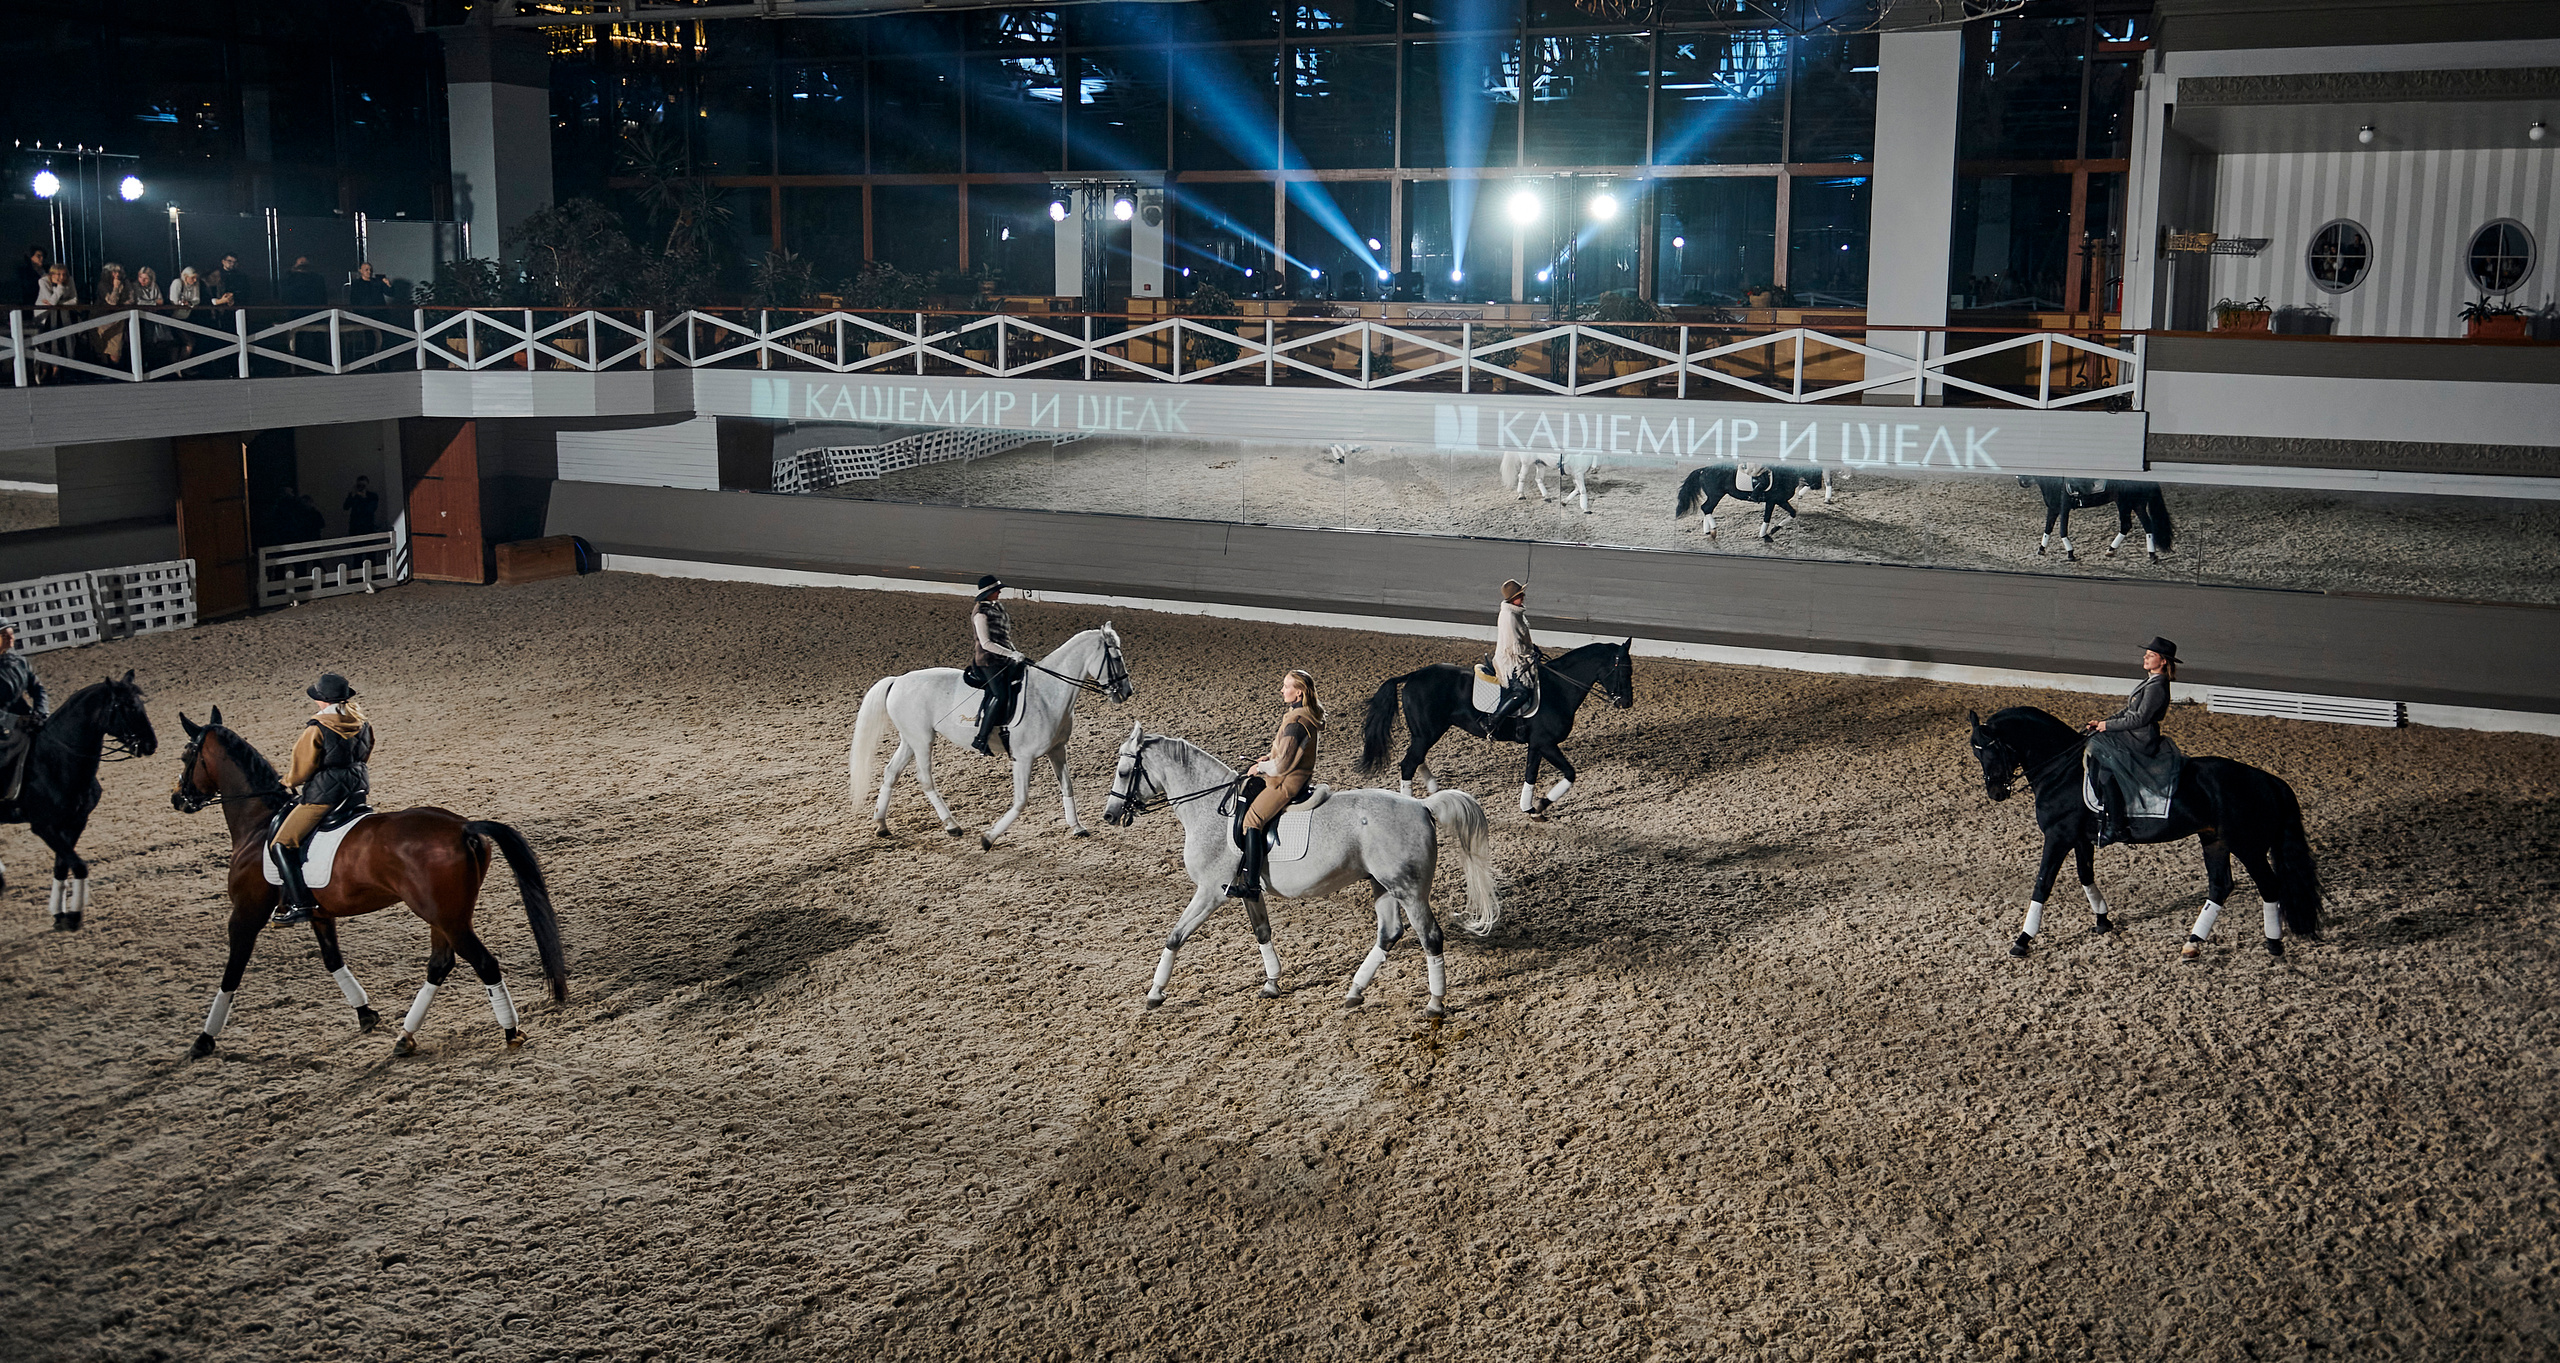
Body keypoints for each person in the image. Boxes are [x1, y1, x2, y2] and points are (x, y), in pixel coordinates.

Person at [270, 673, 373, 926]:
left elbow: (303, 769)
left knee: (282, 843)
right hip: (357, 790)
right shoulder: (362, 723)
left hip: (324, 795)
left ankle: (300, 904)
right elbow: (367, 751)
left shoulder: (317, 727)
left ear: (321, 701)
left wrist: (288, 782)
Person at [1226, 669, 1325, 901]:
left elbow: (1283, 766)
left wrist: (1260, 768)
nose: (1282, 690)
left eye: (1287, 686)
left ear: (1298, 693)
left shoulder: (1298, 722)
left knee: (1252, 820)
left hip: (1286, 782)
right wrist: (1267, 758)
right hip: (1288, 774)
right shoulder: (1298, 715)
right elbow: (1283, 754)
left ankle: (1251, 885)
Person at [2084, 637, 2181, 847]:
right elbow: (2129, 711)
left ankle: (2117, 826)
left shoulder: (2158, 685)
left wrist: (2106, 727)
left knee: (2107, 767)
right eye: (2146, 654)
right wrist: (2103, 722)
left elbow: (2140, 719)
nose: (2145, 657)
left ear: (2163, 661)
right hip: (2132, 733)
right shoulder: (2150, 681)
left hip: (2140, 738)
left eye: (2151, 655)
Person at [968, 574, 1028, 756]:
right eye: (996, 590)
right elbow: (986, 643)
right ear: (988, 593)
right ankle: (981, 738)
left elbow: (1003, 637)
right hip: (988, 661)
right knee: (1000, 695)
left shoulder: (997, 607)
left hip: (1004, 657)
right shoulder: (980, 614)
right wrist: (1011, 654)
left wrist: (1016, 653)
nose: (999, 592)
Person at [0, 619, 52, 804]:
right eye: (4, 635)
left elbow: (38, 689)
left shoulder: (19, 662)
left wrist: (40, 713)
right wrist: (13, 721)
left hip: (27, 718)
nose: (10, 638)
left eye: (10, 634)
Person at [1488, 578, 1539, 728]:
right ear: (1512, 599)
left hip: (1520, 656)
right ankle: (1493, 721)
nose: (1523, 597)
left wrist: (1533, 648)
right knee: (1521, 692)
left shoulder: (1516, 613)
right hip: (1511, 661)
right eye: (1519, 595)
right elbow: (1515, 646)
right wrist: (1530, 653)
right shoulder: (1509, 617)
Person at [32, 263, 76, 383]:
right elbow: (51, 301)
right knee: (45, 343)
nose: (62, 277)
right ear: (52, 274)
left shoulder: (70, 280)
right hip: (45, 316)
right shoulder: (43, 281)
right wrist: (60, 288)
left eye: (64, 274)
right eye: (59, 274)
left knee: (63, 342)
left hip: (61, 315)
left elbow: (74, 300)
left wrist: (60, 305)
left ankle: (59, 370)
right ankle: (45, 370)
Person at [93, 263, 133, 368]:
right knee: (102, 350)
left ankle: (116, 374)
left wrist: (122, 302)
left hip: (118, 320)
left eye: (119, 272)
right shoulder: (102, 285)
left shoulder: (126, 283)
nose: (117, 274)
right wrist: (115, 288)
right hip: (102, 320)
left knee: (115, 352)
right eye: (114, 272)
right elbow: (112, 302)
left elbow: (131, 299)